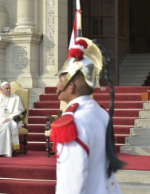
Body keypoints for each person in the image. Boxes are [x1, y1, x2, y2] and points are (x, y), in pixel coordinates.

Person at [50, 38, 124, 194]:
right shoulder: (102, 114)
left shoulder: (71, 122)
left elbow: (73, 184)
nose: (57, 86)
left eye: (61, 80)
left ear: (71, 87)